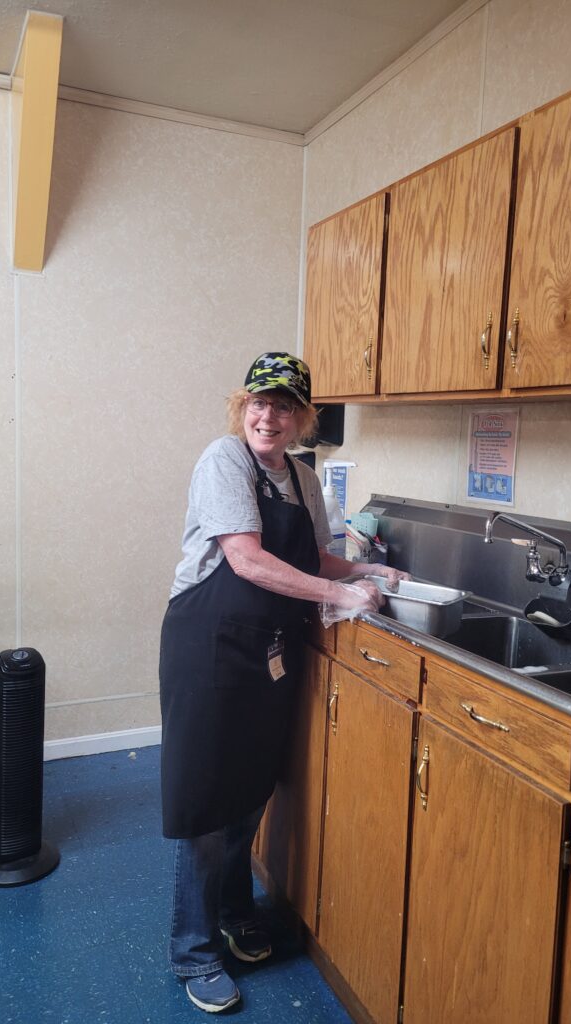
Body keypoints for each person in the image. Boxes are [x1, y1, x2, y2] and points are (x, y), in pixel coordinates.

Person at [159, 352, 409, 1013]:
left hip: (266, 644)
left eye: (284, 406)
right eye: (258, 403)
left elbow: (311, 556)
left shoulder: (302, 475)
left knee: (248, 791)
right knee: (208, 801)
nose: (268, 416)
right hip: (208, 643)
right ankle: (193, 949)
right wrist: (336, 591)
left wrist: (366, 574)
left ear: (303, 418)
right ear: (243, 408)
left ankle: (238, 912)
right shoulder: (224, 459)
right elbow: (244, 558)